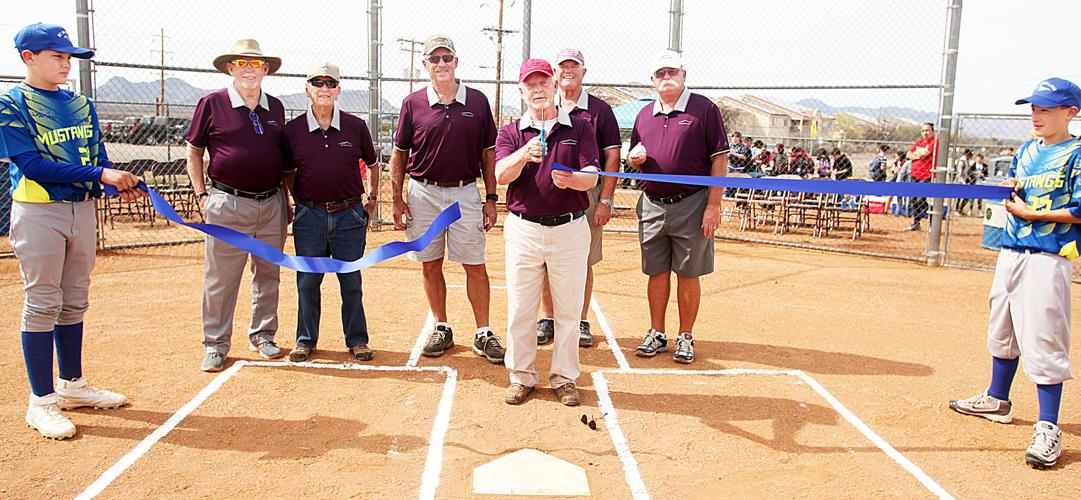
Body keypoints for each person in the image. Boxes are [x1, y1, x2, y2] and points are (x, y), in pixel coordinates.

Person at [1, 22, 144, 439]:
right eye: (57, 56)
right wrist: (102, 173)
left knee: (75, 299)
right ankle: (41, 401)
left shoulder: (81, 104)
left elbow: (95, 155)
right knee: (43, 301)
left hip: (81, 211)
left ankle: (72, 385)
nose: (66, 64)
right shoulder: (12, 103)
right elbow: (33, 165)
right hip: (39, 209)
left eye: (69, 58)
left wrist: (115, 185)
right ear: (28, 57)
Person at [948, 77, 1081, 469]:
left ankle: (1047, 425)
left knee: (1043, 336)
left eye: (1047, 109)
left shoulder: (1076, 154)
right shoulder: (1027, 150)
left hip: (1048, 255)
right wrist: (1010, 191)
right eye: (1034, 109)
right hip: (1012, 249)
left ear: (1071, 112)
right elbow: (1019, 190)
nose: (1037, 116)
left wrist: (1032, 213)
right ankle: (997, 398)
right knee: (1001, 325)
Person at [389, 35, 506, 363]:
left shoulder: (477, 101)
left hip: (465, 192)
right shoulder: (413, 103)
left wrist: (492, 198)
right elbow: (399, 154)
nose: (441, 64)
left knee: (475, 263)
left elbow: (488, 154)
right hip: (423, 191)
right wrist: (397, 199)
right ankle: (441, 326)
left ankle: (483, 333)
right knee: (430, 263)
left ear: (456, 62)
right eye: (434, 59)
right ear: (424, 64)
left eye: (447, 58)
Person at [495, 59, 600, 406]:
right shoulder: (511, 132)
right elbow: (500, 175)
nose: (537, 89)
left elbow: (592, 176)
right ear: (521, 91)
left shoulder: (580, 127)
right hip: (523, 230)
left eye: (543, 82)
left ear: (555, 85)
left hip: (569, 228)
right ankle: (521, 376)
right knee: (521, 309)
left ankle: (565, 377)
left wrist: (572, 179)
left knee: (568, 310)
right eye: (530, 84)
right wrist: (524, 154)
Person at [186, 39, 292, 372]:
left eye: (256, 64)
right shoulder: (212, 104)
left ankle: (263, 335)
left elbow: (283, 159)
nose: (249, 70)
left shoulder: (275, 107)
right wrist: (202, 194)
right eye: (242, 64)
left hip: (270, 202)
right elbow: (194, 151)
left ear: (265, 70)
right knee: (221, 278)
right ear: (230, 68)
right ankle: (215, 344)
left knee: (268, 274)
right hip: (226, 203)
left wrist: (286, 199)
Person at [627, 50, 728, 365]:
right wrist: (634, 159)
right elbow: (634, 156)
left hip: (692, 204)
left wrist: (714, 205)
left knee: (688, 272)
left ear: (684, 74)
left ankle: (685, 336)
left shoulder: (704, 109)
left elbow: (719, 158)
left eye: (672, 72)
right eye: (660, 73)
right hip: (653, 205)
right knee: (656, 271)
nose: (666, 78)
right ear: (652, 80)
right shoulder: (644, 115)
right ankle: (657, 332)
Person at [282, 63, 379, 363]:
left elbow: (373, 165)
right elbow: (287, 171)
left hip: (349, 214)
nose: (324, 88)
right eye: (317, 82)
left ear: (338, 90)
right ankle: (305, 340)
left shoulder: (355, 126)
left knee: (351, 282)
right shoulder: (293, 130)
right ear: (307, 88)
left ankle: (357, 341)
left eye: (330, 83)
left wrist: (373, 199)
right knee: (308, 281)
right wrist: (295, 202)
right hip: (309, 217)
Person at [536, 48, 621, 348]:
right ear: (554, 73)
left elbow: (612, 158)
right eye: (562, 65)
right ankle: (548, 318)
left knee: (583, 260)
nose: (568, 70)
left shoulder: (600, 111)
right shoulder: (544, 106)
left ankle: (581, 320)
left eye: (575, 65)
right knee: (545, 259)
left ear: (584, 71)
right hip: (546, 194)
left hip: (587, 192)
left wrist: (606, 200)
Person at [903, 122, 939, 231]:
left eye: (927, 130)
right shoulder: (919, 142)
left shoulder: (935, 142)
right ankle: (916, 223)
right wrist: (918, 154)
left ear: (933, 131)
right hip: (914, 173)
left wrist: (918, 154)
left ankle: (933, 221)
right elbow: (908, 155)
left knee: (921, 199)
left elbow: (924, 154)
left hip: (926, 174)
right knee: (914, 199)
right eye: (923, 131)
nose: (925, 133)